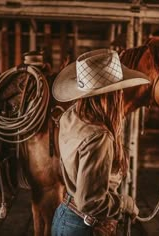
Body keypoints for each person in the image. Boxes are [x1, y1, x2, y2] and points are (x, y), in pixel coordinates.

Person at [51, 48, 150, 236]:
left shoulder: (71, 115)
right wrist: (124, 204)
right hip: (83, 226)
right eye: (119, 90)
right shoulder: (99, 136)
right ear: (114, 94)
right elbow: (91, 202)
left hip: (65, 214)